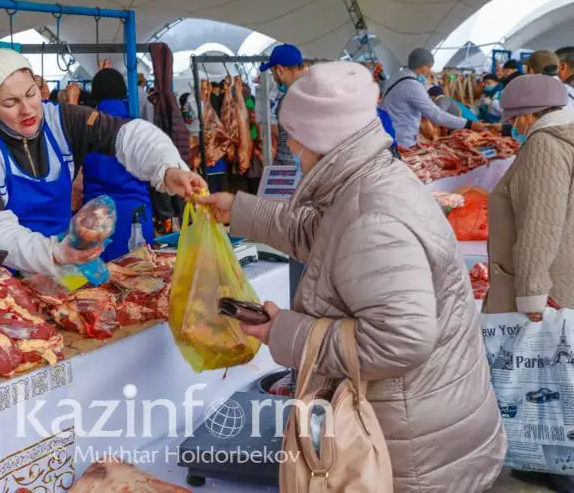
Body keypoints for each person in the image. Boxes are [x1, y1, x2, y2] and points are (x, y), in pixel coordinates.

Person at [198, 61, 506, 492]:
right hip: (427, 426)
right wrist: (241, 210)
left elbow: (401, 339)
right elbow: (324, 237)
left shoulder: (371, 215)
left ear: (323, 140)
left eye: (296, 136)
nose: (289, 144)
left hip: (413, 449)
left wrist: (287, 332)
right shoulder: (369, 182)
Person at [0, 49, 203, 274]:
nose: (27, 109)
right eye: (10, 102)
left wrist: (167, 168)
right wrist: (53, 254)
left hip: (55, 254)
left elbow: (128, 135)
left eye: (30, 93)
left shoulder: (63, 119)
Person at [483, 73, 574, 493]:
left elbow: (540, 224)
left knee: (545, 378)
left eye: (516, 118)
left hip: (551, 282)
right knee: (559, 378)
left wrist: (532, 294)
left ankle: (552, 464)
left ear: (530, 116)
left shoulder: (544, 145)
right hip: (567, 275)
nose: (515, 126)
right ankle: (550, 461)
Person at [81, 68, 154, 261]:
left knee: (98, 288)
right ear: (123, 93)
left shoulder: (84, 129)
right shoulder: (138, 128)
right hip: (136, 216)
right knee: (142, 283)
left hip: (97, 220)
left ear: (94, 94)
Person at [380, 48, 484, 148]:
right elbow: (436, 115)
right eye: (429, 67)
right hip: (401, 139)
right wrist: (469, 123)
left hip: (389, 133)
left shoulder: (397, 76)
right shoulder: (412, 85)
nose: (430, 72)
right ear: (424, 67)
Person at [259, 44, 307, 165]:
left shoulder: (289, 99)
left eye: (272, 72)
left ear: (280, 70)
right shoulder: (315, 91)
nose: (274, 78)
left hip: (293, 173)